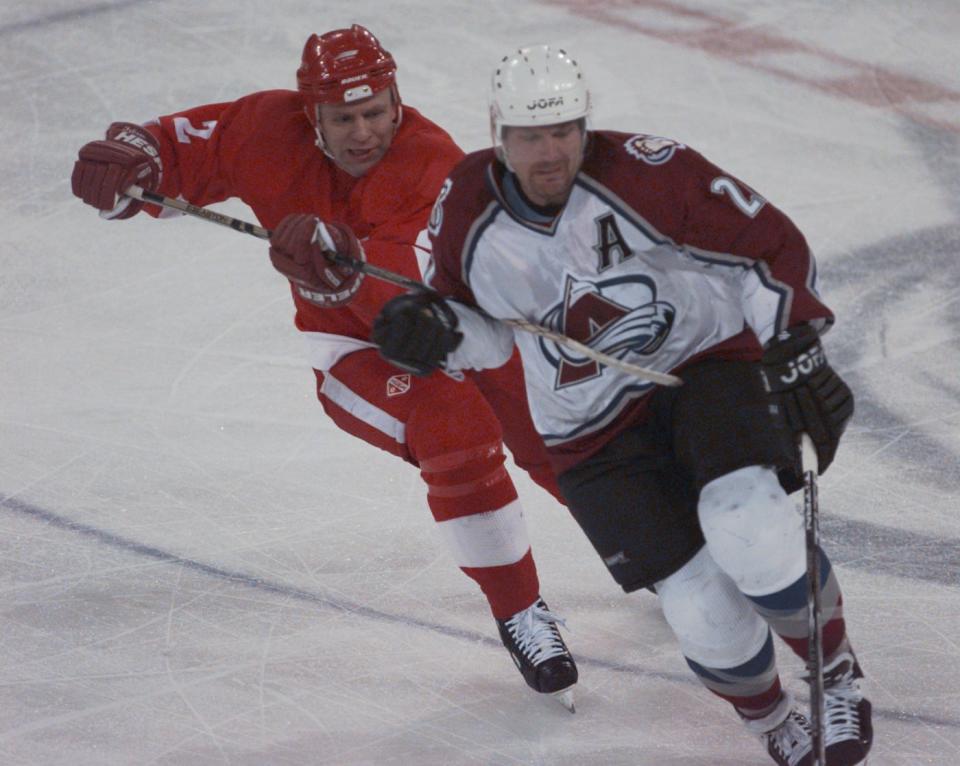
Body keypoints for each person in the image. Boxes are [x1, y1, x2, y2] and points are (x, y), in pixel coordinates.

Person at [372, 44, 872, 765]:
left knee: (750, 530)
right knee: (701, 609)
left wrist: (793, 338)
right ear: (497, 134)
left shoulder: (651, 172)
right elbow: (481, 332)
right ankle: (772, 723)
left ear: (585, 125)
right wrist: (433, 333)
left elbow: (766, 245)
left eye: (564, 131)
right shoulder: (467, 210)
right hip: (586, 434)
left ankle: (837, 676)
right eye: (531, 137)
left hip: (700, 372)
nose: (551, 153)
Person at [70, 26, 578, 708]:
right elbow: (177, 148)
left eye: (375, 113)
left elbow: (413, 281)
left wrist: (343, 267)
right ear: (312, 117)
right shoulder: (264, 127)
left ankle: (664, 557)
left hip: (456, 327)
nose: (363, 132)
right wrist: (133, 166)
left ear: (397, 102)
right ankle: (519, 611)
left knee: (562, 436)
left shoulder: (436, 168)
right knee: (454, 427)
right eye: (343, 119)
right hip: (357, 353)